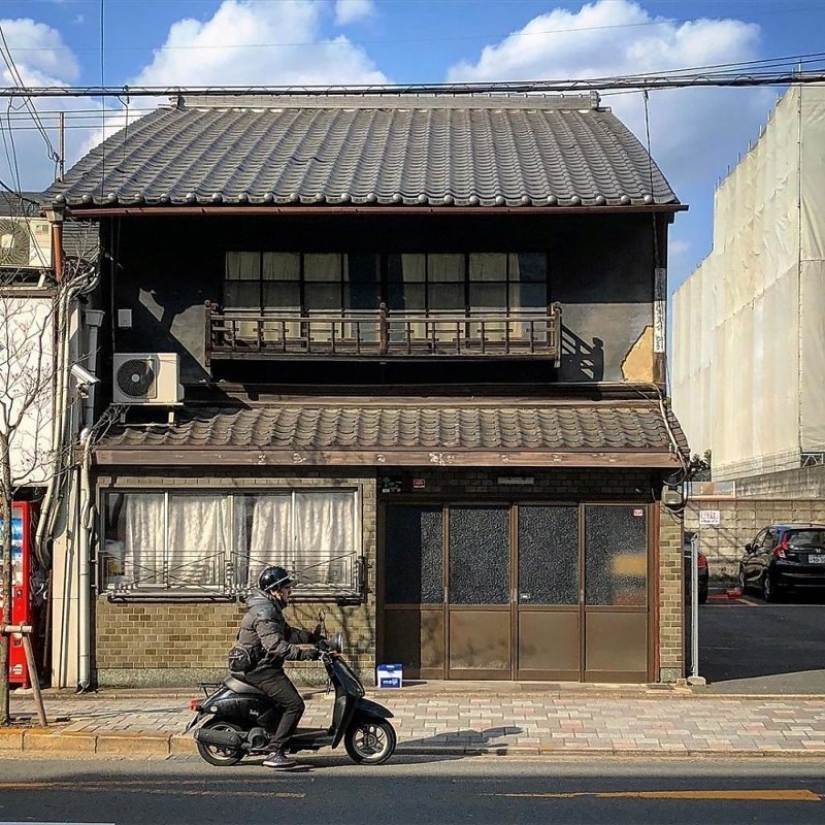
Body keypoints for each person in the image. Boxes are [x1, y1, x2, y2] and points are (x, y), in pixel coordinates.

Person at [231, 565, 324, 770]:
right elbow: (275, 646)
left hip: (264, 666)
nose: (290, 592)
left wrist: (313, 638)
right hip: (260, 669)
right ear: (275, 591)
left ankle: (277, 737)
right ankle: (275, 752)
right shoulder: (265, 612)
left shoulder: (270, 608)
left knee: (284, 703)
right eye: (286, 588)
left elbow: (288, 633)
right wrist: (306, 654)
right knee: (295, 704)